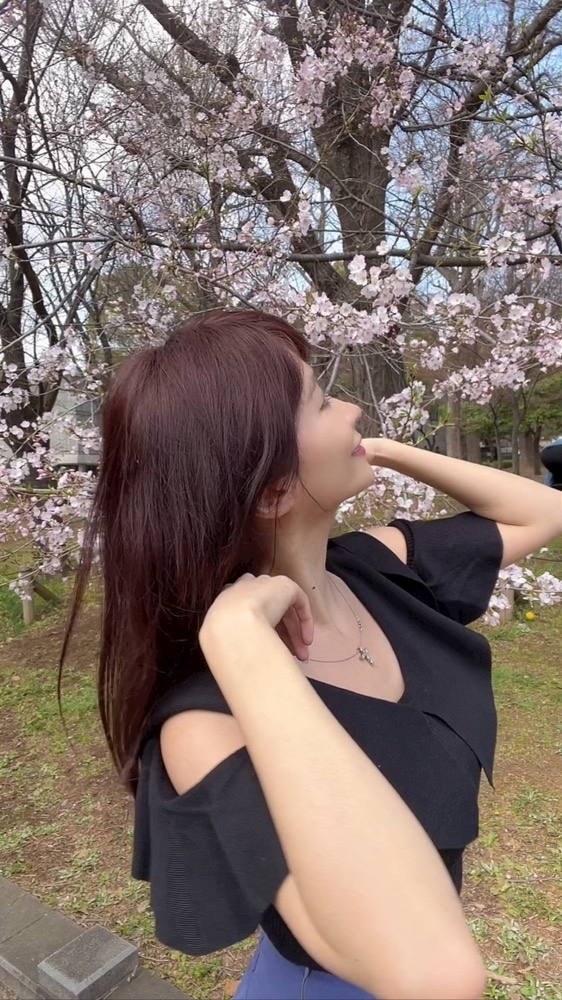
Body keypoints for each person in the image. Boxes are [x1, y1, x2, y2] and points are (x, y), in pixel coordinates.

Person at [61, 310, 562, 1000]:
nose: (353, 409)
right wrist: (242, 645)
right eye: (323, 403)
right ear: (274, 490)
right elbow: (433, 974)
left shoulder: (377, 566)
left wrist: (382, 451)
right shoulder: (206, 722)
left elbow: (543, 512)